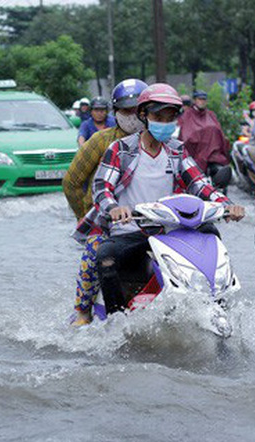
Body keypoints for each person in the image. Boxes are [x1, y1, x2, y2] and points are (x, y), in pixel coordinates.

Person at [74, 83, 245, 315]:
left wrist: (226, 205)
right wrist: (114, 208)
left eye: (170, 117)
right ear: (143, 115)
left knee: (211, 234)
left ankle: (221, 307)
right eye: (158, 116)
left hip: (170, 230)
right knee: (105, 257)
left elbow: (199, 183)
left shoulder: (177, 149)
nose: (164, 123)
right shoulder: (120, 149)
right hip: (132, 230)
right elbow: (102, 187)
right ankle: (117, 321)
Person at [63, 78, 148, 326]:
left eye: (137, 110)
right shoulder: (101, 141)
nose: (132, 116)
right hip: (108, 220)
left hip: (150, 219)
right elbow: (71, 182)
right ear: (116, 112)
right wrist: (85, 214)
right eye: (126, 110)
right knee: (93, 255)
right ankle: (83, 313)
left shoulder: (161, 143)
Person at [177, 90, 231, 190]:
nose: (202, 102)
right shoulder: (187, 115)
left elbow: (219, 133)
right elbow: (185, 135)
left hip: (213, 156)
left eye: (204, 99)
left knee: (222, 174)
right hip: (195, 155)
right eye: (199, 99)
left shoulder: (211, 115)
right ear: (194, 100)